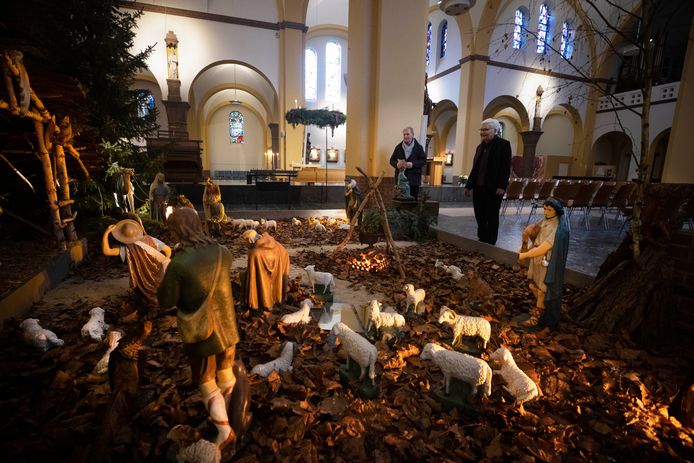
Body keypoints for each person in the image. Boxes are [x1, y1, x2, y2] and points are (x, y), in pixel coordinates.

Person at [157, 207, 241, 452]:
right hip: (228, 329)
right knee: (226, 374)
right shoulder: (222, 252)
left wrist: (163, 273)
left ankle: (225, 432)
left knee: (206, 383)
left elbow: (166, 300)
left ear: (179, 230)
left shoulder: (178, 264)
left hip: (202, 335)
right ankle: (229, 416)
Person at [518, 197, 569, 333]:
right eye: (545, 208)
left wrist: (525, 255)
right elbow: (536, 236)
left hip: (546, 261)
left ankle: (537, 316)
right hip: (536, 259)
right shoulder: (546, 220)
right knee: (533, 285)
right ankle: (544, 308)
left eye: (550, 209)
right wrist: (528, 235)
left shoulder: (558, 228)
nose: (546, 212)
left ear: (556, 211)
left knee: (542, 290)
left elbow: (545, 247)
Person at [102, 218, 171, 306]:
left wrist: (106, 233)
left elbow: (107, 251)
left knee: (143, 297)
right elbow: (168, 251)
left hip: (145, 283)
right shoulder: (151, 240)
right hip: (163, 274)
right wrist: (160, 266)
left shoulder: (126, 249)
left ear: (122, 236)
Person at [464, 118, 512, 245]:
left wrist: (502, 185)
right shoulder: (480, 147)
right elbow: (475, 168)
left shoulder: (503, 145)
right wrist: (469, 185)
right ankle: (482, 239)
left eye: (486, 129)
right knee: (479, 214)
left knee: (491, 215)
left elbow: (505, 167)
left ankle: (490, 241)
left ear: (495, 130)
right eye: (481, 130)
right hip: (479, 187)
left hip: (494, 188)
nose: (482, 132)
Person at [242, 231, 290, 311]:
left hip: (268, 275)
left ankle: (263, 303)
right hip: (280, 268)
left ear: (250, 240)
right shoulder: (275, 244)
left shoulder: (255, 253)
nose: (245, 245)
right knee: (277, 282)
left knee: (244, 276)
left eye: (245, 242)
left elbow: (252, 276)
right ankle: (279, 298)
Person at [389, 127, 427, 200]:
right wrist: (397, 164)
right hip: (400, 181)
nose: (405, 136)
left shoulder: (419, 147)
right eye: (404, 134)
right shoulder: (398, 147)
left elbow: (423, 161)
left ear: (412, 135)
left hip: (414, 180)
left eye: (407, 134)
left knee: (412, 202)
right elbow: (391, 160)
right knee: (400, 201)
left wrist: (413, 164)